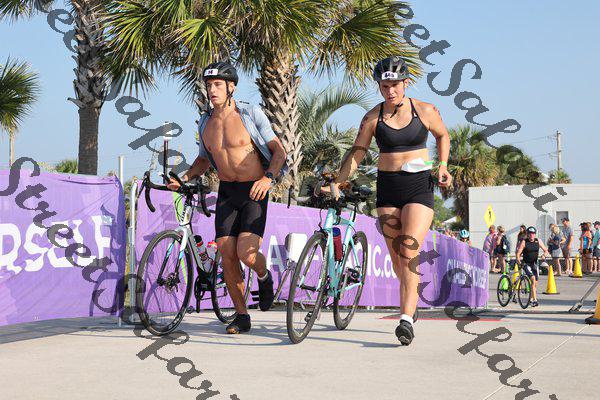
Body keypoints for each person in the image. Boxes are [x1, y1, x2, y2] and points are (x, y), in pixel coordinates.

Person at [321, 56, 452, 345]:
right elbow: (358, 151)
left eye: (395, 85)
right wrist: (340, 180)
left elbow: (443, 136)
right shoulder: (372, 117)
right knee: (396, 259)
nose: (390, 91)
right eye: (384, 86)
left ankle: (405, 319)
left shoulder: (425, 110)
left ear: (406, 83)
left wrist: (443, 166)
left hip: (419, 186)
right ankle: (411, 299)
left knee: (408, 250)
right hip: (388, 188)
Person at [167, 61, 288, 334]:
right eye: (209, 85)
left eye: (218, 85)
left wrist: (268, 178)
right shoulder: (205, 122)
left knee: (247, 254)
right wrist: (183, 178)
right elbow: (203, 160)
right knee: (227, 252)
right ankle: (242, 315)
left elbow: (279, 151)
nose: (212, 90)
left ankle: (264, 276)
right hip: (227, 192)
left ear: (231, 87)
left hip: (254, 190)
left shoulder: (250, 113)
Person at [516, 227, 550, 307]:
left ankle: (531, 300)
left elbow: (546, 250)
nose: (532, 235)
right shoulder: (524, 242)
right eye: (530, 234)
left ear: (535, 234)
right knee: (533, 279)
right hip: (526, 264)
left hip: (534, 264)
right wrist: (518, 261)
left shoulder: (538, 241)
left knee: (535, 284)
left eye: (533, 234)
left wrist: (544, 255)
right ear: (527, 234)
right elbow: (518, 253)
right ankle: (535, 300)